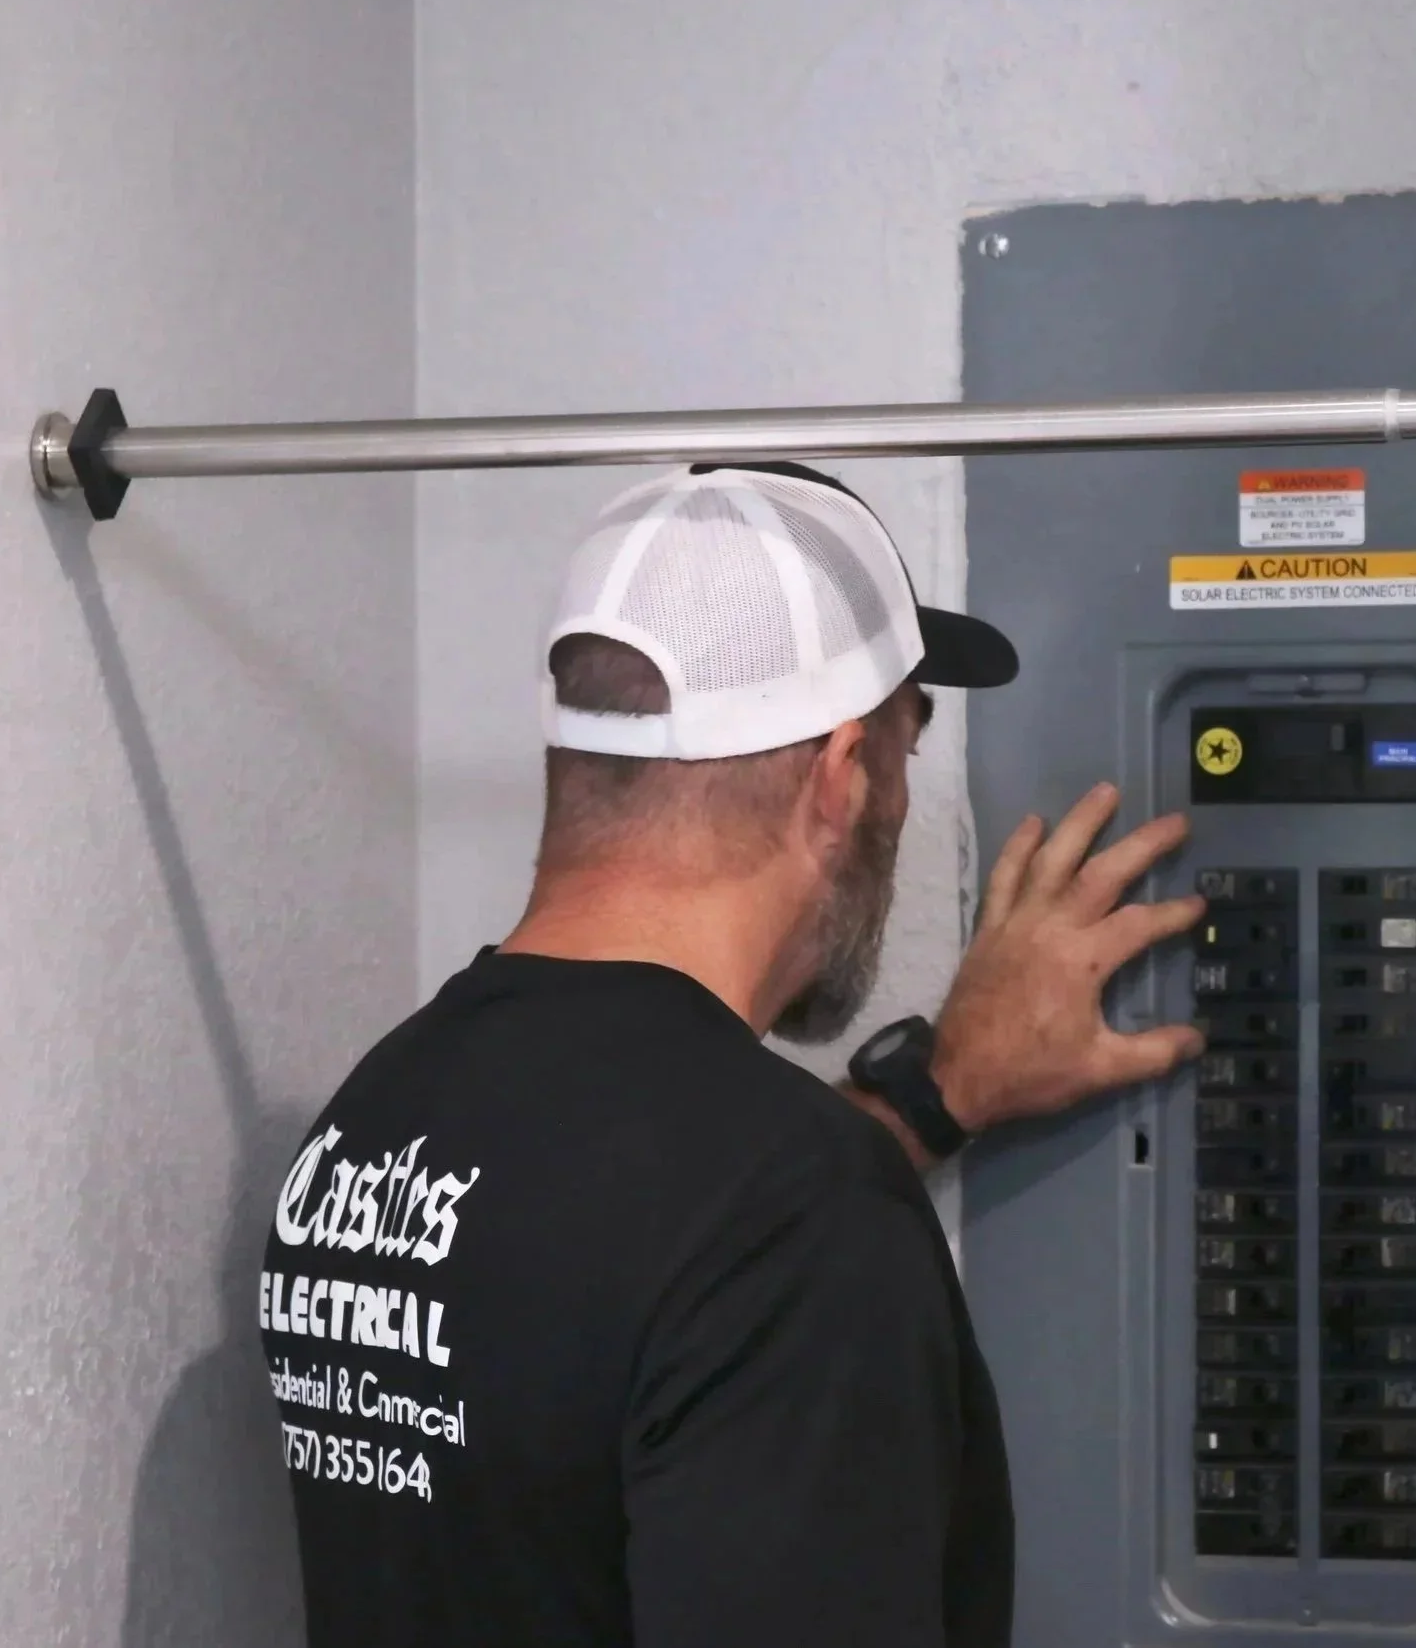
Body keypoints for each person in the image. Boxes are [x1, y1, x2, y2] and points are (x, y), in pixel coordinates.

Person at [259, 461, 1206, 1648]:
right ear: (840, 772)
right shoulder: (796, 1212)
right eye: (909, 736)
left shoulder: (377, 1118)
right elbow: (707, 1251)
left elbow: (622, 1284)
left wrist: (936, 1088)